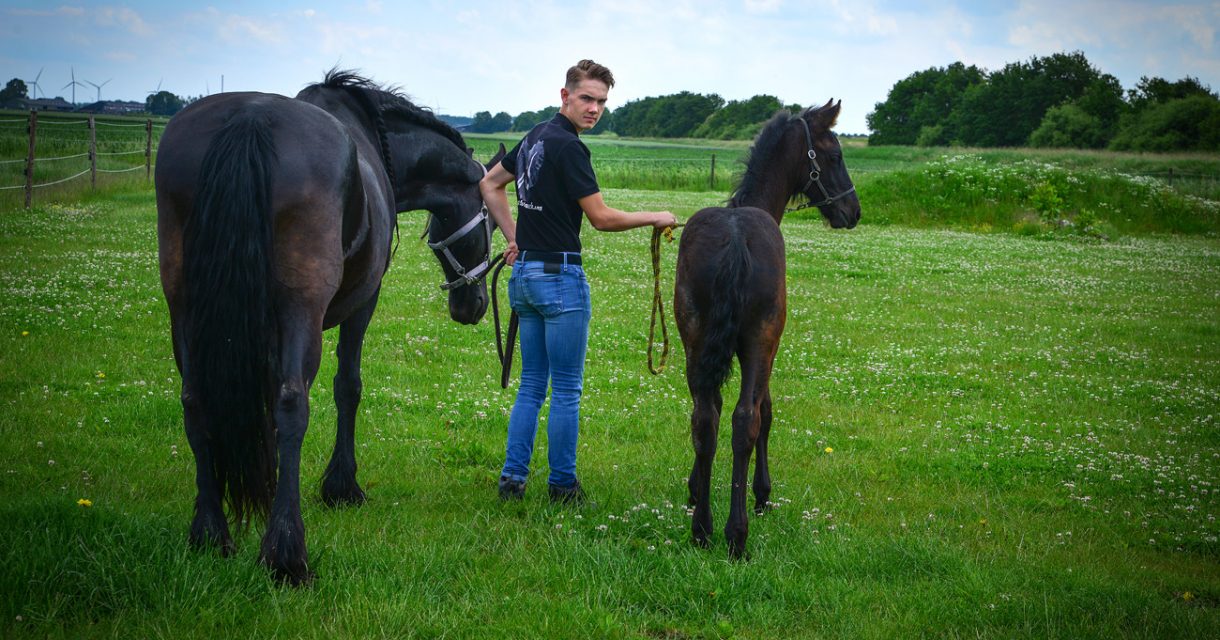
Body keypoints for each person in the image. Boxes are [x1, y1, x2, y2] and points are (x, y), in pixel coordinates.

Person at [480, 59, 676, 503]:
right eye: (587, 98)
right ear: (564, 95)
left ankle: (513, 480)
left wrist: (517, 239)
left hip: (526, 277)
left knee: (532, 385)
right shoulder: (569, 148)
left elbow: (491, 184)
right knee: (566, 389)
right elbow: (602, 219)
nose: (594, 109)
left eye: (602, 102)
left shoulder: (533, 137)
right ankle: (563, 485)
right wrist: (656, 216)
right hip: (559, 278)